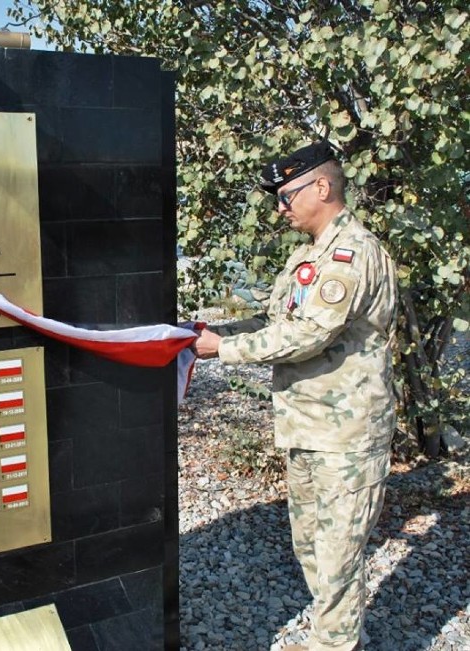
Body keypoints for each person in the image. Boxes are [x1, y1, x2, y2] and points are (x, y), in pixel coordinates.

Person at [193, 141, 397, 651]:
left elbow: (310, 335)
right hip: (309, 428)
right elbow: (277, 321)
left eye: (286, 196)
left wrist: (226, 349)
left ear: (322, 187)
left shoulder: (350, 254)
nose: (280, 208)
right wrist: (212, 332)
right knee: (310, 547)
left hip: (345, 438)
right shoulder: (309, 254)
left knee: (338, 560)